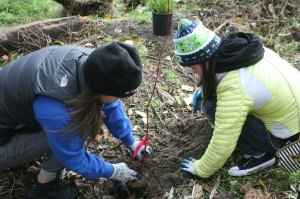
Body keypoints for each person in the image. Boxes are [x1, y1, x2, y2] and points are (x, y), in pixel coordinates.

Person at [0, 41, 152, 199]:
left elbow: (110, 105)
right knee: (81, 123)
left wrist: (131, 142)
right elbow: (74, 158)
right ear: (103, 90)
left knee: (83, 118)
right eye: (119, 95)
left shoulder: (92, 64)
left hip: (18, 119)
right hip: (3, 142)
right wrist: (113, 171)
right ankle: (44, 185)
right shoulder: (56, 107)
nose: (120, 99)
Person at [173, 19, 300, 178]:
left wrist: (200, 169)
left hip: (288, 140)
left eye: (193, 67)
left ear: (205, 60)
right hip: (291, 119)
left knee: (212, 106)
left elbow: (224, 139)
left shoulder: (234, 87)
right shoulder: (241, 50)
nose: (193, 72)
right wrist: (205, 88)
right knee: (213, 100)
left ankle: (259, 155)